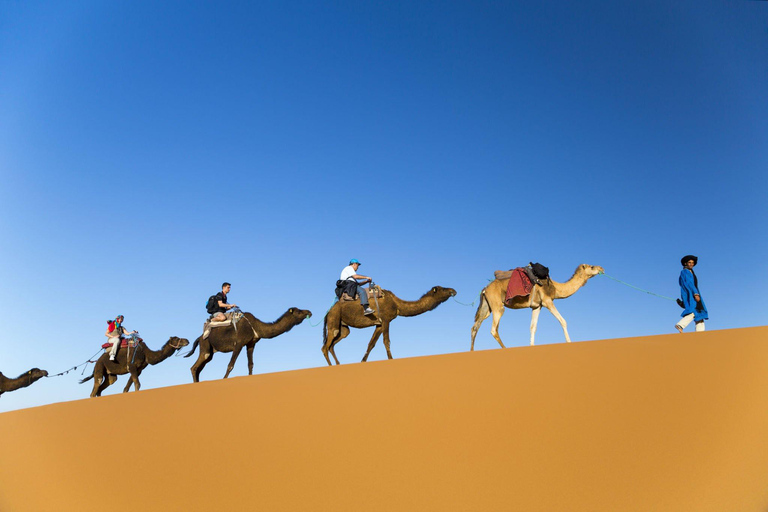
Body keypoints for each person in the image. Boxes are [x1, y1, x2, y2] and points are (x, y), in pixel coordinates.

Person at [675, 255, 708, 333]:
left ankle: (700, 333)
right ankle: (680, 324)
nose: (691, 264)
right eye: (689, 262)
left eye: (692, 263)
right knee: (694, 310)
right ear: (685, 263)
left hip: (693, 293)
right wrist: (695, 294)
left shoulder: (691, 272)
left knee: (700, 312)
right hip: (691, 294)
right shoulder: (685, 271)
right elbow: (689, 284)